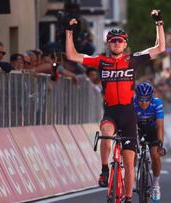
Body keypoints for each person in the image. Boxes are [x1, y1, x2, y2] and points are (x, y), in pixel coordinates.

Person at [65, 9, 165, 203]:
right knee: (106, 133)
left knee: (129, 163)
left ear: (125, 44)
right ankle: (104, 170)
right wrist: (69, 32)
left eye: (120, 40)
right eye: (113, 40)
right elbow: (72, 55)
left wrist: (158, 23)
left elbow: (160, 48)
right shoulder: (101, 61)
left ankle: (128, 198)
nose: (116, 43)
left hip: (129, 115)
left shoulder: (132, 59)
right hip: (111, 112)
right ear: (108, 43)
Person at [133, 82, 166, 202]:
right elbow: (130, 125)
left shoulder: (157, 103)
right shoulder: (132, 102)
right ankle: (133, 178)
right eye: (141, 99)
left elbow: (160, 127)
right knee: (131, 152)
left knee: (155, 155)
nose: (143, 103)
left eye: (146, 99)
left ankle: (156, 185)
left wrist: (160, 144)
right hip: (137, 129)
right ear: (137, 97)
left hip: (153, 130)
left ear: (151, 97)